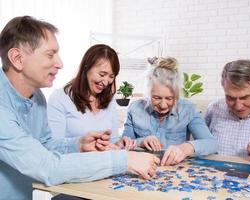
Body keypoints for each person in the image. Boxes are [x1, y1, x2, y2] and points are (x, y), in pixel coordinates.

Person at [0, 16, 159, 200]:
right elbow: (47, 167)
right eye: (50, 54)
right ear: (17, 58)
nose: (60, 63)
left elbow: (45, 145)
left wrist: (78, 144)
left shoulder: (37, 97)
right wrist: (125, 160)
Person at [121, 57, 218, 166]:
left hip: (175, 170)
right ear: (148, 93)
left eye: (169, 98)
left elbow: (212, 143)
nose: (163, 105)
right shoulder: (135, 108)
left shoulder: (189, 109)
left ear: (176, 94)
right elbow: (124, 143)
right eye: (156, 98)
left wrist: (186, 148)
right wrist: (142, 141)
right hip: (141, 167)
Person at [47, 44, 132, 149]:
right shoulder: (60, 98)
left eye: (111, 76)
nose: (106, 82)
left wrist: (119, 143)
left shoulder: (110, 100)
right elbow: (52, 145)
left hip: (103, 163)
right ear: (86, 67)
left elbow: (112, 139)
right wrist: (79, 144)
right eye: (102, 74)